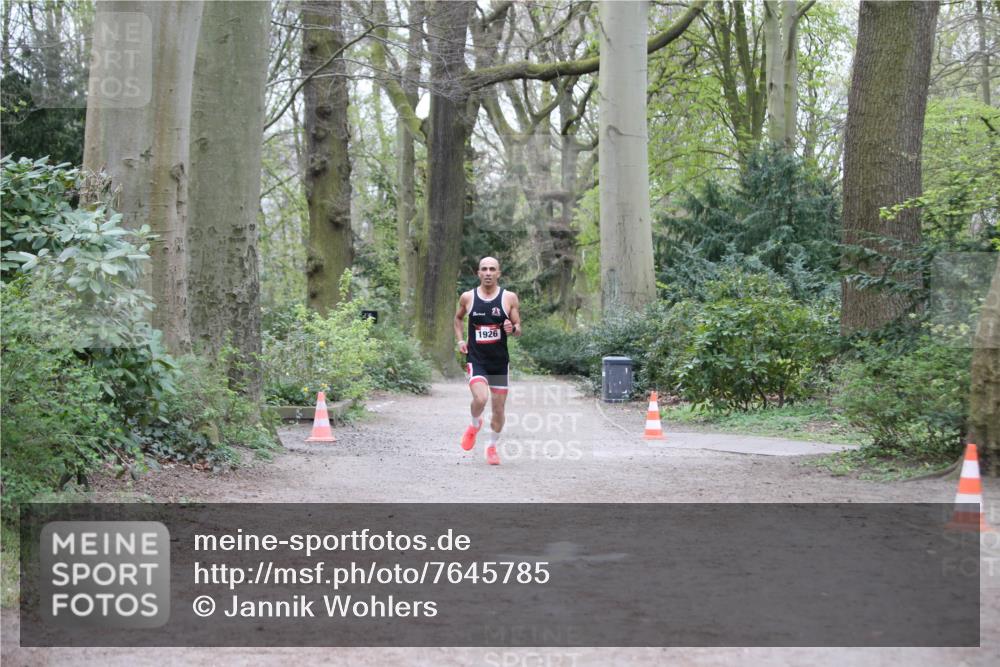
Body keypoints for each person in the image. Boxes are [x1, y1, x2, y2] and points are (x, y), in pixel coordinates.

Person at [454, 256, 521, 465]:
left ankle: (491, 446)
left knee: (499, 409)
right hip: (477, 359)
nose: (488, 272)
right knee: (481, 399)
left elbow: (518, 327)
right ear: (479, 273)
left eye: (492, 269)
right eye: (484, 269)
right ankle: (475, 424)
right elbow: (458, 319)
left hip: (499, 362)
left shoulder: (509, 298)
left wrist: (513, 329)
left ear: (498, 273)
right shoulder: (468, 297)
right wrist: (460, 340)